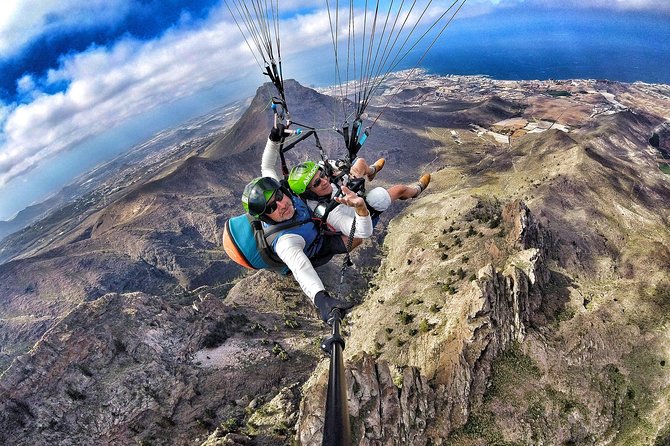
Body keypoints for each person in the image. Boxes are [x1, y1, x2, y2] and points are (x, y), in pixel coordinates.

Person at [262, 125, 431, 250]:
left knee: (360, 163)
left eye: (321, 175)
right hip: (358, 211)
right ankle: (416, 191)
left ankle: (371, 171)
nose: (324, 181)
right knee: (398, 190)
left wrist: (273, 139)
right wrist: (361, 207)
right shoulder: (329, 212)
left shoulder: (324, 177)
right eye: (317, 183)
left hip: (346, 189)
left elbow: (267, 167)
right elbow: (361, 232)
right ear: (309, 193)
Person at [242, 173, 372, 323]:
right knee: (357, 239)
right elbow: (301, 268)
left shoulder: (290, 196)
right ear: (265, 217)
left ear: (283, 191)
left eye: (278, 196)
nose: (282, 205)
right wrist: (321, 299)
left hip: (313, 226)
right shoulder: (285, 242)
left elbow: (268, 165)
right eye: (271, 208)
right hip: (317, 246)